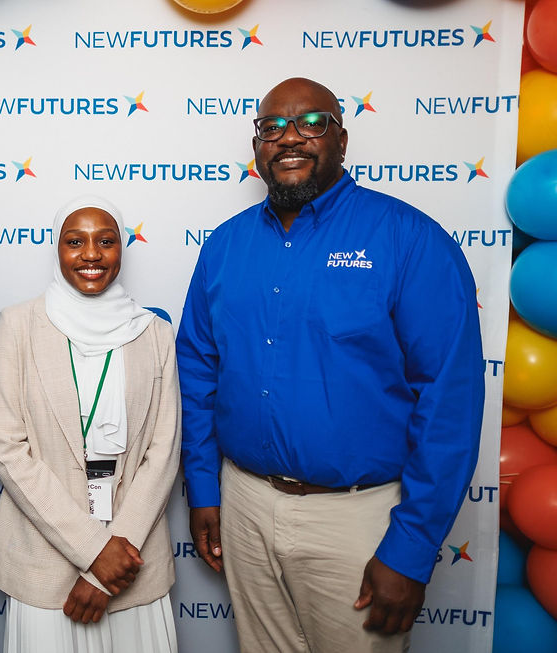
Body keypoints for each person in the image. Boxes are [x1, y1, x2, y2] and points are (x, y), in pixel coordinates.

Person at [176, 77, 484, 653]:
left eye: (310, 123)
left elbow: (449, 402)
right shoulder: (225, 245)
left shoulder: (409, 239)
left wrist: (412, 547)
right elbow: (197, 373)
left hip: (358, 519)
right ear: (257, 145)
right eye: (271, 127)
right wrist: (204, 490)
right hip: (243, 503)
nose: (289, 138)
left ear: (341, 138)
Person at [0, 196, 180, 652]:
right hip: (44, 560)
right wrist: (94, 552)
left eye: (105, 241)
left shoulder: (154, 332)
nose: (91, 254)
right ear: (57, 248)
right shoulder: (18, 325)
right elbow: (9, 450)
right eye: (75, 241)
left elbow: (163, 453)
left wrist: (113, 562)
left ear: (121, 249)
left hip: (134, 562)